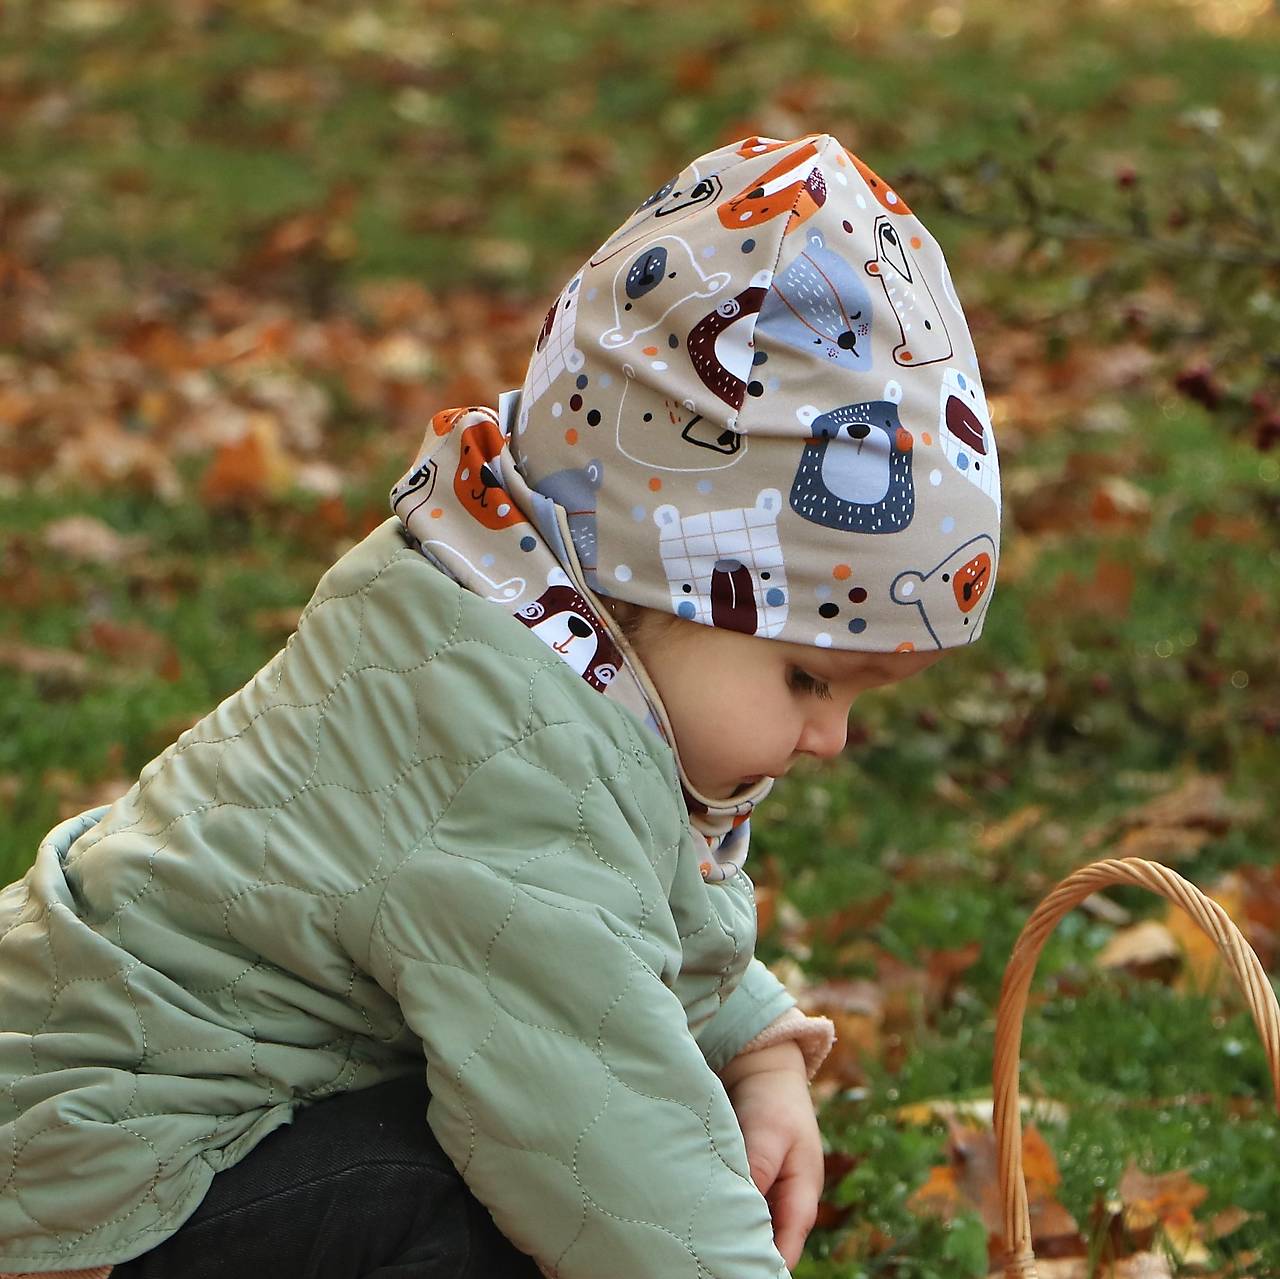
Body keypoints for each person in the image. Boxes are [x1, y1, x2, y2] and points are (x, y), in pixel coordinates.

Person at [0, 131, 1001, 1279]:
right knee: (471, 1211)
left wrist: (755, 1047)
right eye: (808, 679)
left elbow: (616, 919)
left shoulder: (519, 641)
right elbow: (601, 1142)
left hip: (99, 1127)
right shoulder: (505, 749)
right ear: (648, 579)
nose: (827, 737)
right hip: (101, 1184)